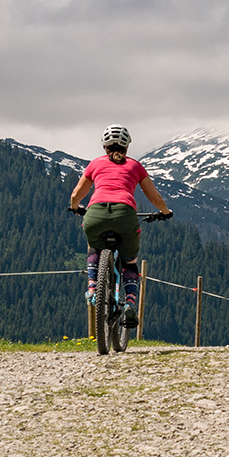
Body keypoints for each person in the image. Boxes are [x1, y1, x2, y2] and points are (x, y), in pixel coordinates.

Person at [70, 125, 172, 327]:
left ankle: (92, 287)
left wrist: (76, 208)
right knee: (130, 262)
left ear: (105, 146)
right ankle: (131, 304)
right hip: (125, 215)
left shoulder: (95, 164)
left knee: (94, 248)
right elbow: (155, 197)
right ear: (127, 146)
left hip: (95, 215)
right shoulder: (135, 166)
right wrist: (165, 212)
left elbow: (75, 196)